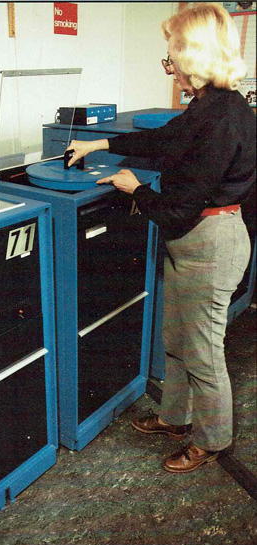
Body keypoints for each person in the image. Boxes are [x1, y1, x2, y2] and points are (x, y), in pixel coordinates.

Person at [66, 3, 255, 473]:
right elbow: (164, 139)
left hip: (210, 243)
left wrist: (136, 189)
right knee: (176, 337)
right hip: (191, 242)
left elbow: (176, 209)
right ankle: (175, 418)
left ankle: (212, 440)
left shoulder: (224, 117)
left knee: (203, 351)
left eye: (172, 58)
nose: (169, 68)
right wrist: (101, 143)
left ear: (195, 57)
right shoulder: (209, 104)